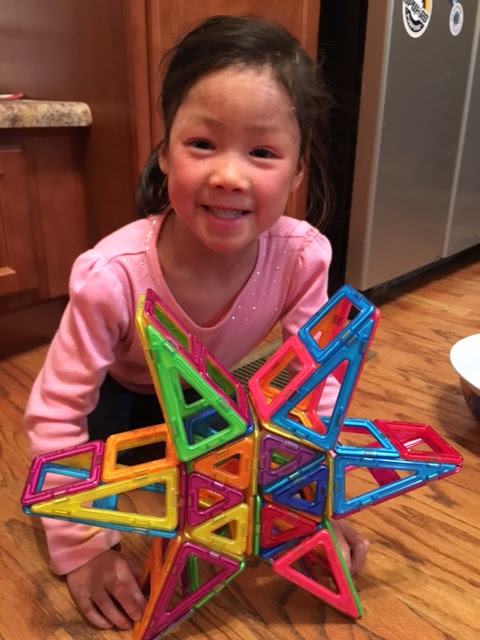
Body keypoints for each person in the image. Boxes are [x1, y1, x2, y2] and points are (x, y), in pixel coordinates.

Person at [24, 15, 369, 632]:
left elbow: (313, 393)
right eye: (202, 144)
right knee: (105, 487)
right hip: (116, 407)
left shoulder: (304, 256)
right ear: (164, 153)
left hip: (211, 402)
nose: (229, 175)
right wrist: (82, 548)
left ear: (297, 171)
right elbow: (55, 415)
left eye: (262, 152)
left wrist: (314, 509)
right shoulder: (111, 276)